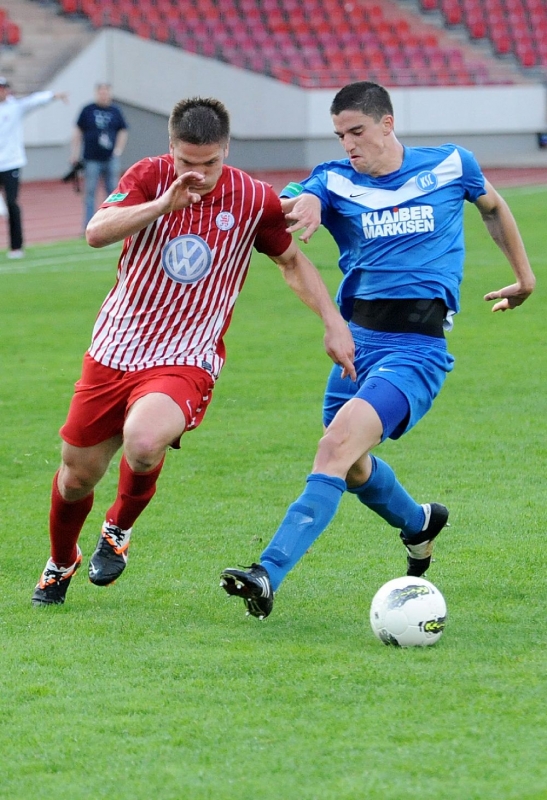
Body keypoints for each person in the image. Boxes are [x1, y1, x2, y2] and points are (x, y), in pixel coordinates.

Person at [220, 80, 536, 620]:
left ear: (387, 124)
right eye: (340, 134)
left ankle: (266, 572)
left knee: (334, 449)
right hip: (356, 346)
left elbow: (492, 207)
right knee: (352, 466)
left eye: (357, 131)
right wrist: (308, 200)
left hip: (416, 350)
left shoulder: (450, 165)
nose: (348, 143)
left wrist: (524, 279)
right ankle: (419, 523)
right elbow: (300, 198)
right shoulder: (334, 180)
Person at [31, 96, 355, 606]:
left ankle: (118, 527)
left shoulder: (252, 198)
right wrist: (163, 204)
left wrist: (333, 323)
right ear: (171, 149)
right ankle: (61, 560)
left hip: (188, 354)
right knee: (76, 478)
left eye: (209, 163)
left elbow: (292, 261)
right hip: (115, 347)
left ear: (226, 150)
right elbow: (95, 233)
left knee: (143, 442)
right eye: (187, 162)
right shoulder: (147, 177)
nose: (198, 175)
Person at [0, 77, 68, 258]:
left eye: (3, 88)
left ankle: (16, 247)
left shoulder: (15, 107)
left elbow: (34, 101)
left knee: (12, 203)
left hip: (11, 163)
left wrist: (53, 96)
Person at [70, 83, 128, 231]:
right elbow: (78, 131)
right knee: (90, 193)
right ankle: (89, 225)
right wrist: (74, 153)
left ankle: (112, 223)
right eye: (101, 92)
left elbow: (123, 130)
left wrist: (118, 150)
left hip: (110, 158)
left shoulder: (115, 111)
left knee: (113, 192)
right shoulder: (88, 110)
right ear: (97, 93)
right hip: (91, 158)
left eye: (106, 92)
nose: (103, 95)